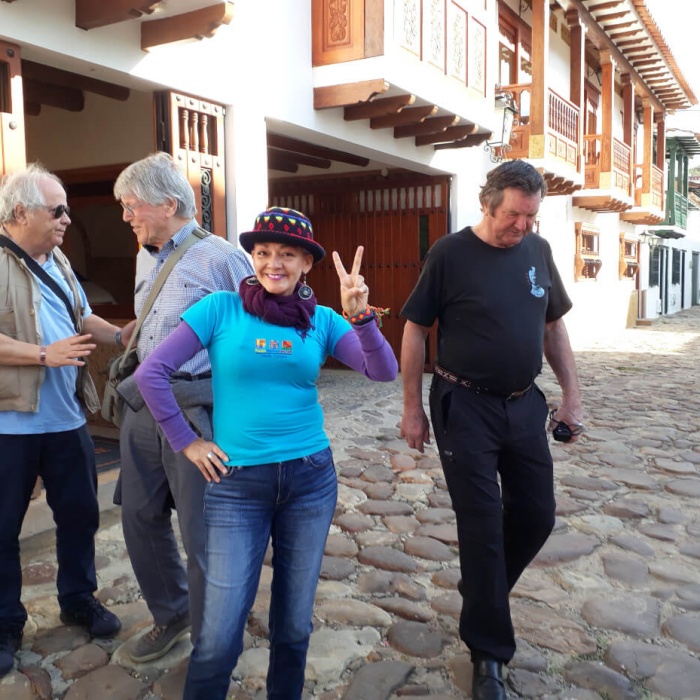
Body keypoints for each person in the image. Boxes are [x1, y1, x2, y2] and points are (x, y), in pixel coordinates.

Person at [134, 206, 398, 699]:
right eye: (263, 252)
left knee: (294, 625)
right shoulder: (220, 309)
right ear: (252, 257)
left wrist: (361, 315)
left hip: (309, 480)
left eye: (287, 254)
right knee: (218, 635)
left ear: (306, 263)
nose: (273, 263)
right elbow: (151, 373)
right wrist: (187, 442)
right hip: (237, 485)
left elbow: (382, 371)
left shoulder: (322, 319)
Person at [399, 160, 583, 700]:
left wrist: (572, 396)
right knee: (480, 527)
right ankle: (489, 655)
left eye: (531, 217)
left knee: (537, 515)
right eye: (513, 216)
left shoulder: (538, 251)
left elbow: (553, 326)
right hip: (464, 406)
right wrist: (412, 409)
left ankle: (483, 590)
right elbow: (415, 330)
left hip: (523, 405)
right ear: (487, 204)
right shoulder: (449, 254)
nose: (522, 226)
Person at [112, 152, 252, 663]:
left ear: (169, 204)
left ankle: (215, 637)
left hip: (198, 409)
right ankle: (172, 613)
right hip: (144, 406)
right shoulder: (144, 255)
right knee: (138, 515)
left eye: (132, 206)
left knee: (203, 531)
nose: (126, 216)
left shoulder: (222, 258)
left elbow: (253, 338)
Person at [0, 164, 135, 677]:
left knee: (79, 516)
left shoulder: (57, 259)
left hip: (66, 420)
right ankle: (5, 622)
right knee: (2, 529)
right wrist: (43, 354)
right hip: (9, 424)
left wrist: (120, 335)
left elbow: (80, 315)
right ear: (20, 212)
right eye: (57, 210)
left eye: (66, 209)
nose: (66, 219)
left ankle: (78, 599)